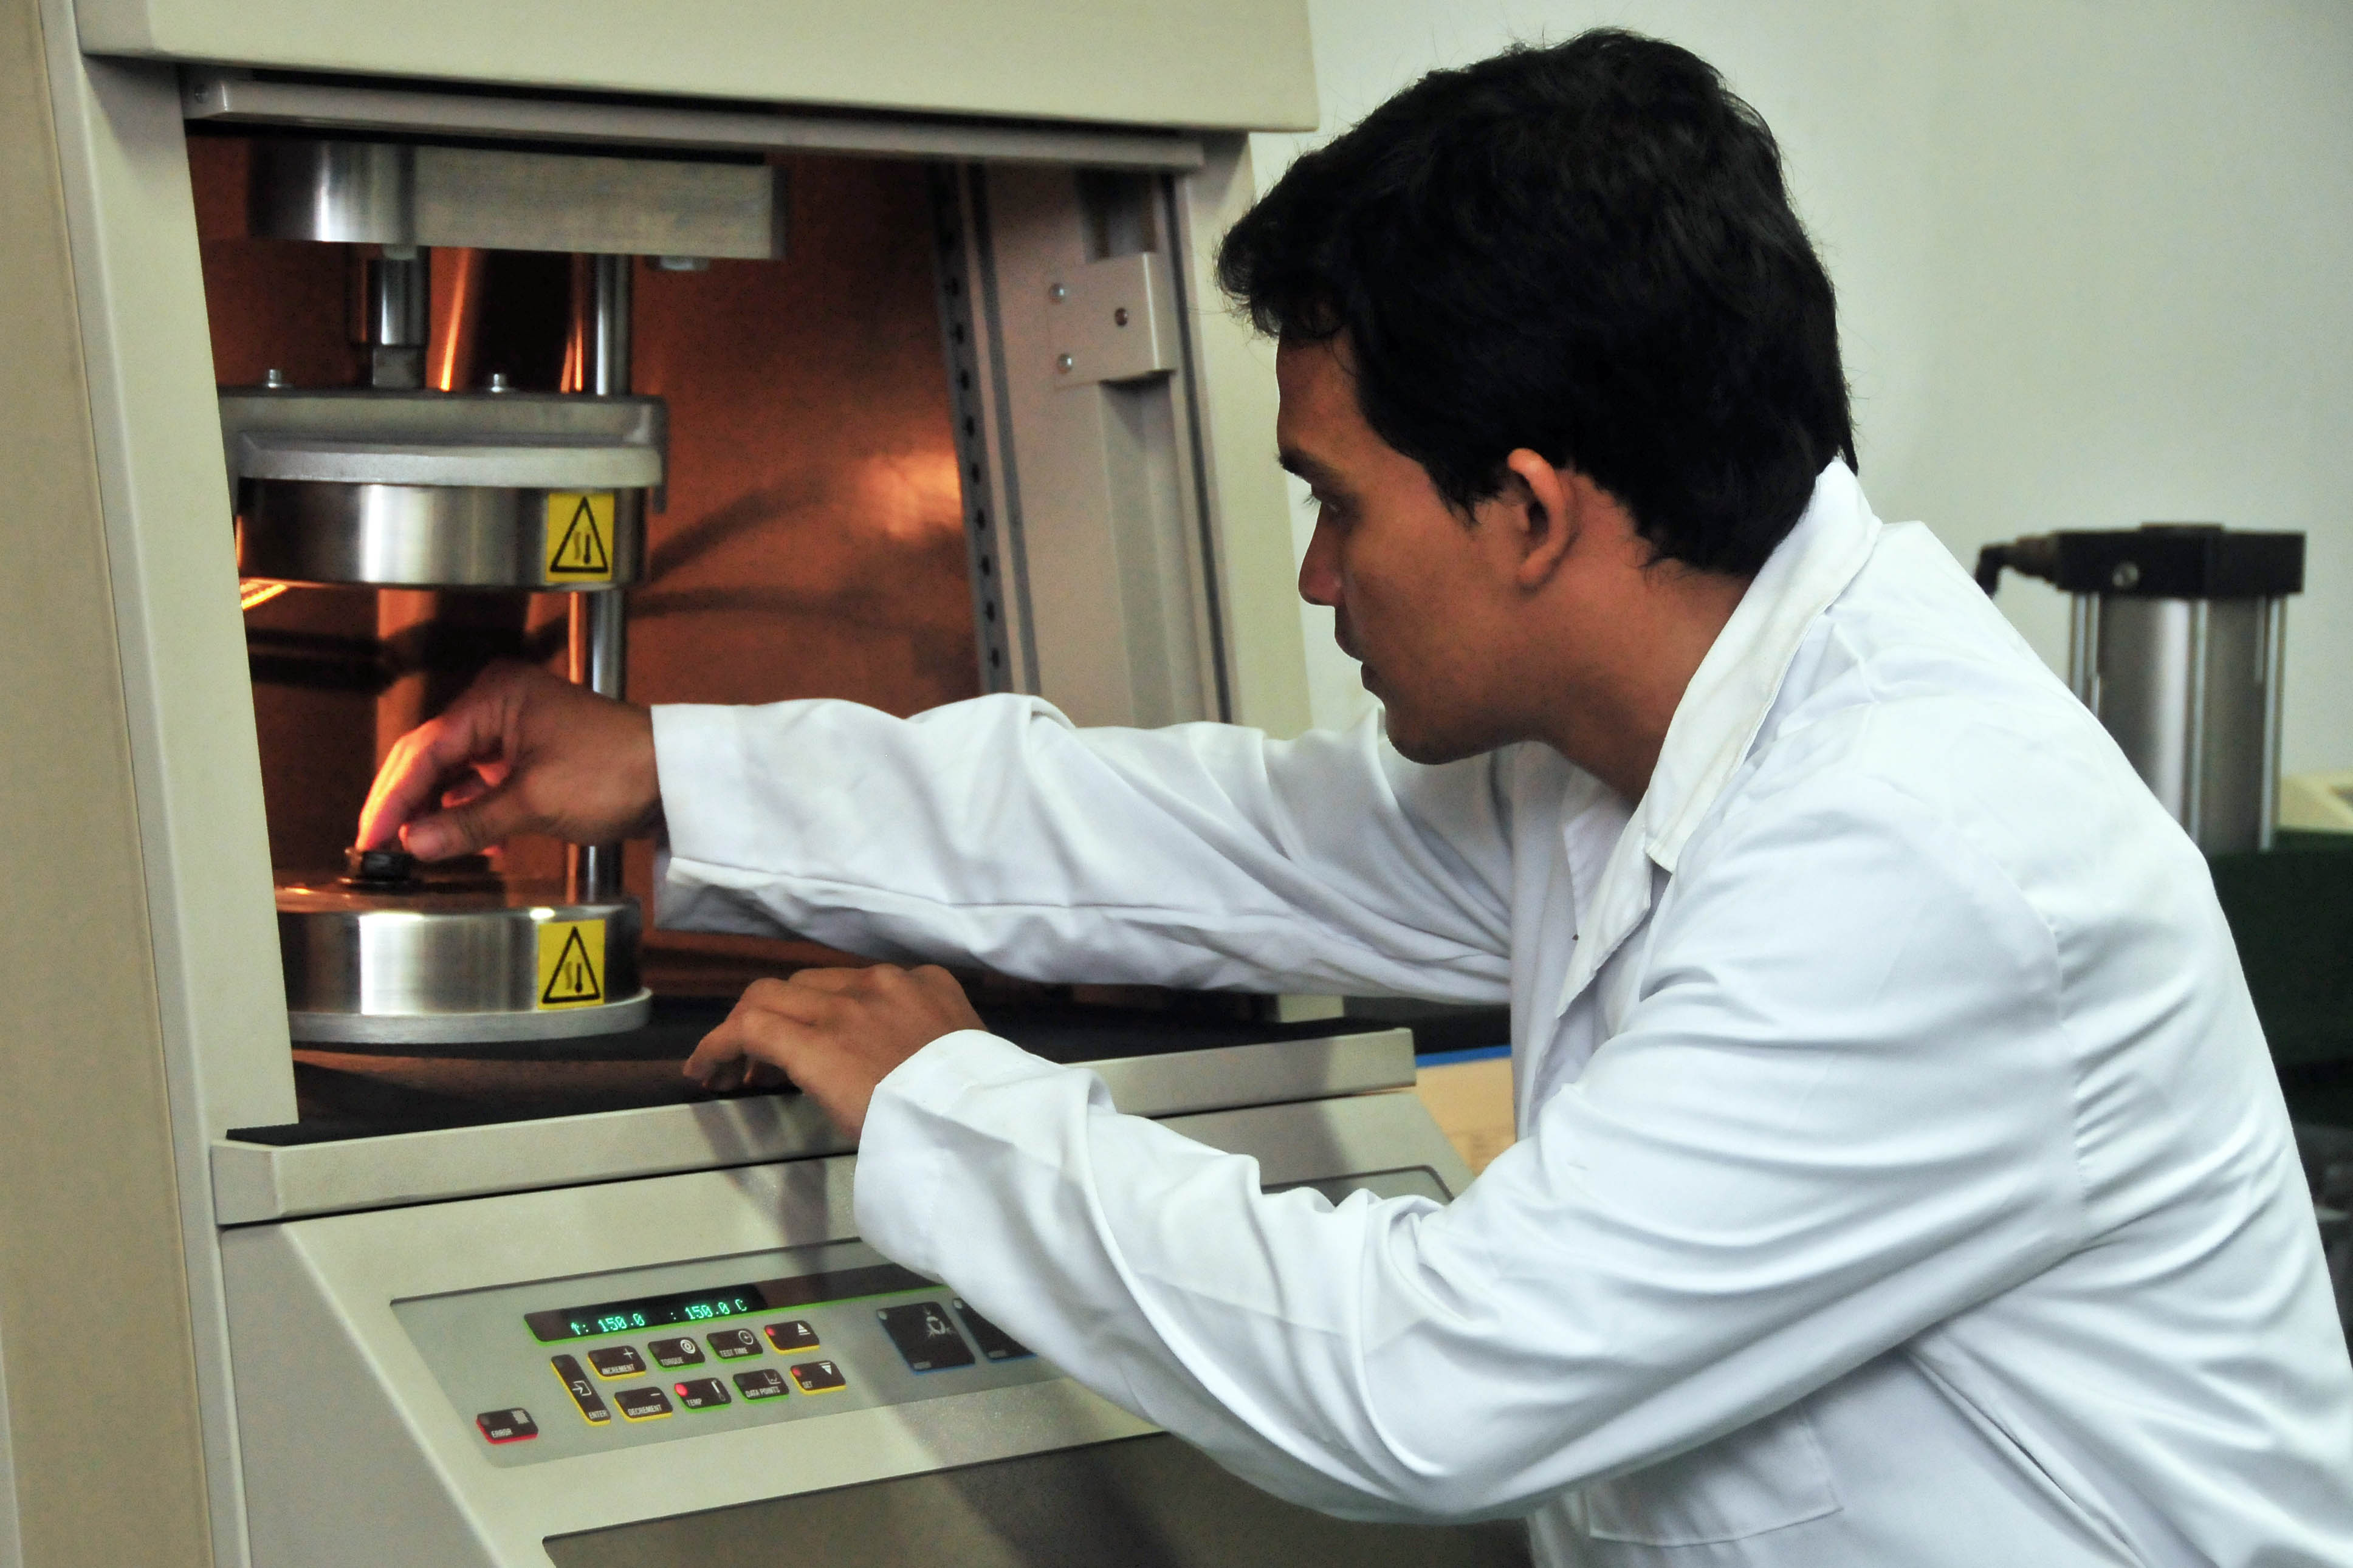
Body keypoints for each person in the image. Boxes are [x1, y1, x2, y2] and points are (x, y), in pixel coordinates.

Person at [359, 31, 2353, 1567]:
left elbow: (1417, 1386)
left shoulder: (1915, 857)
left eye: (1337, 503)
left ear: (1531, 510)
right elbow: (1207, 839)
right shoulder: (1669, 745)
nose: (1314, 579)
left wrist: (953, 1105)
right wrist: (665, 769)